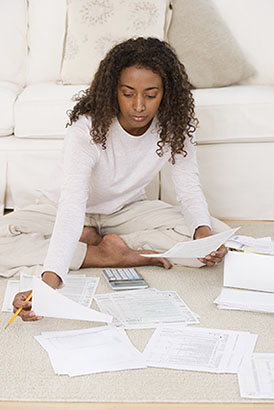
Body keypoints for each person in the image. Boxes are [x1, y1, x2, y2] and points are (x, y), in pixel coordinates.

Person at [6, 37, 228, 321]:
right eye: (128, 93)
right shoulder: (86, 128)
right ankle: (104, 254)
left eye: (150, 95)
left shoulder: (175, 125)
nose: (138, 106)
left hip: (125, 211)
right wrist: (49, 283)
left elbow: (188, 187)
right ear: (114, 90)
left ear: (166, 92)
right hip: (61, 208)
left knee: (215, 235)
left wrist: (202, 235)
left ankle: (110, 244)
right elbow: (72, 206)